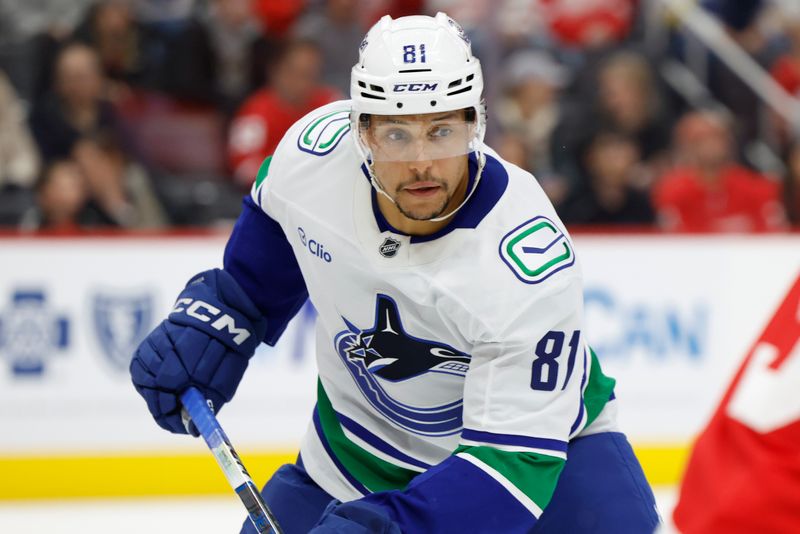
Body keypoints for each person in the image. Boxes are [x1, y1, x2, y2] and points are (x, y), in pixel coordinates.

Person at [130, 13, 660, 533]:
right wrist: (224, 315)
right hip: (356, 456)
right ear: (361, 131)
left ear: (476, 125)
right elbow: (268, 236)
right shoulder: (314, 158)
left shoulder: (525, 265)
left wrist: (394, 529)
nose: (422, 163)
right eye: (397, 135)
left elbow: (511, 466)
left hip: (544, 464)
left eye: (442, 130)